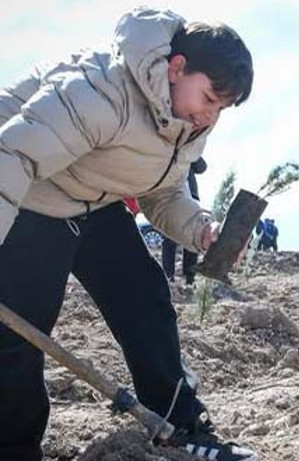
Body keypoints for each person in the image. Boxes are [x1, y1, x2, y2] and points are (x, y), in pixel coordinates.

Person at [0, 8, 256, 461]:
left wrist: (201, 229)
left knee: (144, 297)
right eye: (210, 99)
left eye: (222, 107)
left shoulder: (185, 119)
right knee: (21, 331)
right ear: (176, 69)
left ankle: (181, 424)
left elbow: (162, 192)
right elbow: (14, 154)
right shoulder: (100, 90)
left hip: (92, 202)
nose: (211, 118)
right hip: (29, 194)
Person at [162, 158, 207, 285]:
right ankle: (168, 276)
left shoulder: (189, 150)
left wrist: (192, 150)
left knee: (193, 238)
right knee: (169, 238)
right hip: (171, 195)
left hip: (191, 197)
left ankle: (190, 278)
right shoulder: (167, 147)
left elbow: (202, 167)